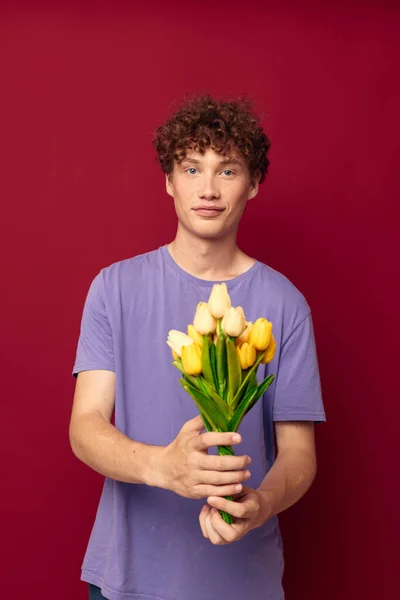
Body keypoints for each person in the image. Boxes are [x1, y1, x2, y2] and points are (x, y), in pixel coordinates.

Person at [70, 92, 326, 600]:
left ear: (253, 184)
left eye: (227, 171)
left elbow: (298, 453)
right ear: (168, 181)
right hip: (127, 581)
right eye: (191, 169)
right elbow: (85, 425)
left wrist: (263, 504)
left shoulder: (286, 303)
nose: (207, 189)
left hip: (243, 582)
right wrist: (161, 467)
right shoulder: (113, 289)